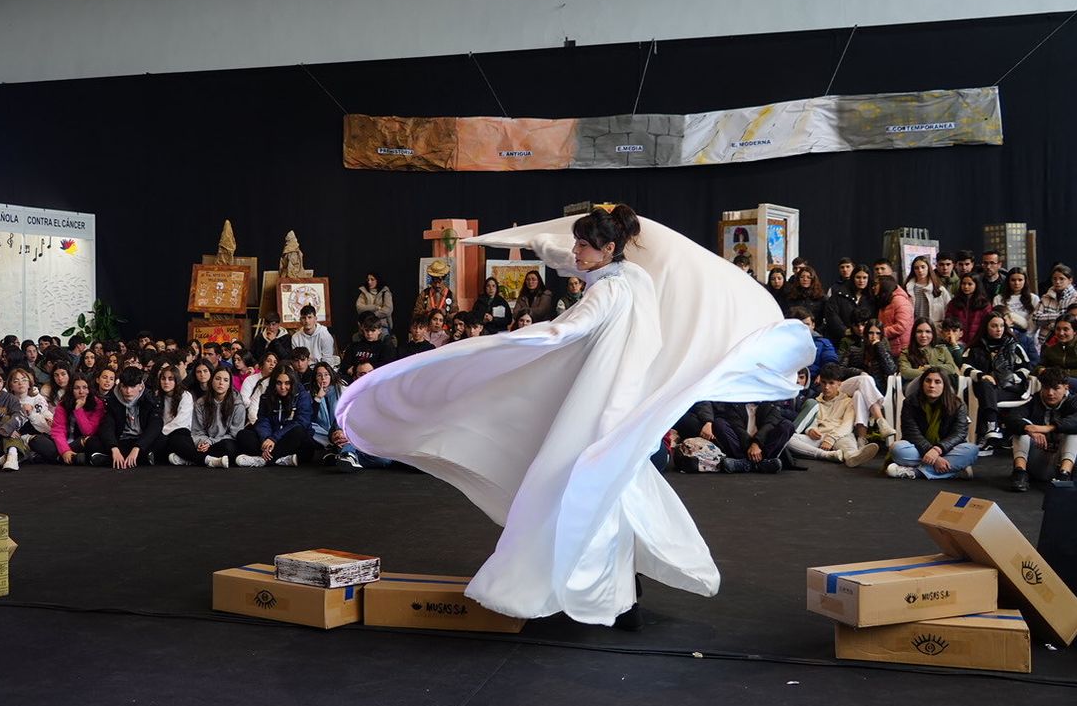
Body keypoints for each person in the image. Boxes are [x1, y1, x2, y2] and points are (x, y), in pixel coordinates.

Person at [338, 206, 812, 627]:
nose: (576, 253)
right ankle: (622, 596)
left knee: (575, 494)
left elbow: (562, 332)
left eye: (584, 245)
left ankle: (597, 594)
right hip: (621, 408)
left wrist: (492, 346)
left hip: (599, 411)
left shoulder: (607, 292)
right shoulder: (635, 278)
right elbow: (570, 263)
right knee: (608, 494)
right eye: (577, 244)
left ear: (607, 249)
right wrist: (535, 243)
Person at [1003, 367, 1077, 491]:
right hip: (1037, 460)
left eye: (1056, 388)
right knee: (1023, 427)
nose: (1050, 393)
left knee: (1073, 431)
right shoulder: (1035, 401)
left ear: (1066, 387)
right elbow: (1012, 417)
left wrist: (1049, 428)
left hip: (1061, 460)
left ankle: (1064, 476)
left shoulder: (1073, 402)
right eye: (1046, 388)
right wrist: (1028, 429)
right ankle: (1020, 473)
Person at [886, 368, 978, 480]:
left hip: (947, 449)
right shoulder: (911, 402)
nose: (932, 385)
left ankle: (915, 472)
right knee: (897, 449)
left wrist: (938, 449)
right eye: (928, 381)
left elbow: (959, 433)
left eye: (937, 382)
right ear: (922, 383)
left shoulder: (957, 404)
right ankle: (953, 470)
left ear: (945, 385)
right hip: (920, 449)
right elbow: (911, 432)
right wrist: (934, 456)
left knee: (972, 450)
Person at [786, 364, 881, 468]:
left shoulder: (848, 401)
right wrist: (811, 430)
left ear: (839, 383)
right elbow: (812, 422)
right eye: (824, 382)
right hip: (819, 436)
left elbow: (847, 425)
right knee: (789, 439)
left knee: (849, 447)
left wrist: (831, 439)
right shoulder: (815, 401)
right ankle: (826, 455)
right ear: (820, 382)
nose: (826, 387)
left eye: (831, 383)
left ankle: (852, 456)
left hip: (840, 436)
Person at [963, 312, 1031, 447]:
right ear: (986, 327)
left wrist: (1008, 378)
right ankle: (991, 428)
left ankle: (988, 430)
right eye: (994, 326)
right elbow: (964, 367)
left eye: (1001, 326)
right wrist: (981, 375)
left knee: (986, 394)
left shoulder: (1014, 346)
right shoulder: (975, 348)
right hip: (983, 388)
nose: (999, 329)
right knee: (985, 385)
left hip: (1010, 389)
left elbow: (1026, 369)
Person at [235, 366, 313, 467]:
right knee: (243, 435)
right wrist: (266, 439)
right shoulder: (266, 396)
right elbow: (263, 420)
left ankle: (262, 460)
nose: (283, 387)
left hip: (288, 437)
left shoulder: (303, 396)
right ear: (273, 383)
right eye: (279, 383)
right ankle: (279, 459)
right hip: (271, 437)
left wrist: (274, 439)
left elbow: (302, 422)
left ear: (292, 383)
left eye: (287, 383)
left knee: (302, 436)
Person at [173, 365, 247, 468]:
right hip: (204, 442)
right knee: (177, 438)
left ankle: (191, 459)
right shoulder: (200, 403)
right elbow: (197, 431)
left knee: (229, 448)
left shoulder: (238, 405)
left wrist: (210, 442)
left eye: (225, 380)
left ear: (229, 384)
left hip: (224, 442)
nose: (221, 383)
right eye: (217, 379)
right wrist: (203, 442)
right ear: (211, 381)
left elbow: (234, 434)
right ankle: (206, 460)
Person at [94, 365, 164, 469]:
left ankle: (108, 460)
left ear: (140, 386)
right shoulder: (113, 399)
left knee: (162, 439)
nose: (128, 391)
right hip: (121, 440)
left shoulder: (149, 399)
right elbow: (107, 425)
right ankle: (141, 459)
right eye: (125, 387)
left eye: (132, 387)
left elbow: (155, 425)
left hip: (142, 440)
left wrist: (137, 447)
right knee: (93, 442)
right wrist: (114, 448)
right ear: (120, 385)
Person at [47, 375, 108, 465]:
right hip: (64, 443)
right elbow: (58, 430)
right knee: (36, 440)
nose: (81, 392)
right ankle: (68, 458)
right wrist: (65, 451)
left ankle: (56, 458)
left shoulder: (97, 404)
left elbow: (88, 432)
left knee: (89, 441)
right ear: (71, 390)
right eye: (77, 388)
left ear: (89, 389)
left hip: (83, 443)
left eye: (84, 387)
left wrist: (78, 409)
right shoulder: (63, 404)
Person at [1032, 264, 1077, 349]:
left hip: (1070, 342)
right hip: (1045, 340)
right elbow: (1036, 318)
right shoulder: (1046, 297)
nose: (1057, 282)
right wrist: (1061, 316)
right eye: (1054, 279)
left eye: (1061, 279)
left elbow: (1075, 320)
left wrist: (1050, 324)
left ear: (1070, 280)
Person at [822, 266, 873, 345]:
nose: (861, 281)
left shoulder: (871, 297)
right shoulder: (840, 294)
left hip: (865, 341)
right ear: (852, 278)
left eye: (864, 278)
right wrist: (844, 331)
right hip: (840, 339)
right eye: (858, 277)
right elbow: (831, 315)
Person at [340, 313, 397, 379]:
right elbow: (343, 366)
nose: (369, 333)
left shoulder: (385, 348)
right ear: (363, 330)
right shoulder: (354, 346)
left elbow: (385, 368)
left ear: (379, 330)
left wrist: (355, 369)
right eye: (367, 330)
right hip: (354, 381)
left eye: (373, 330)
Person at [873, 273, 913, 357]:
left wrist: (880, 332)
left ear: (885, 285)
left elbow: (901, 326)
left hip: (901, 349)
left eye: (876, 284)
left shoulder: (900, 301)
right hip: (890, 346)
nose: (873, 287)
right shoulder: (886, 300)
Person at [904, 256, 950, 328]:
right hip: (913, 326)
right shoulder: (908, 288)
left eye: (923, 267)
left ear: (928, 268)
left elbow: (948, 309)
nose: (920, 270)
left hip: (934, 327)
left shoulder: (939, 289)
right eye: (916, 268)